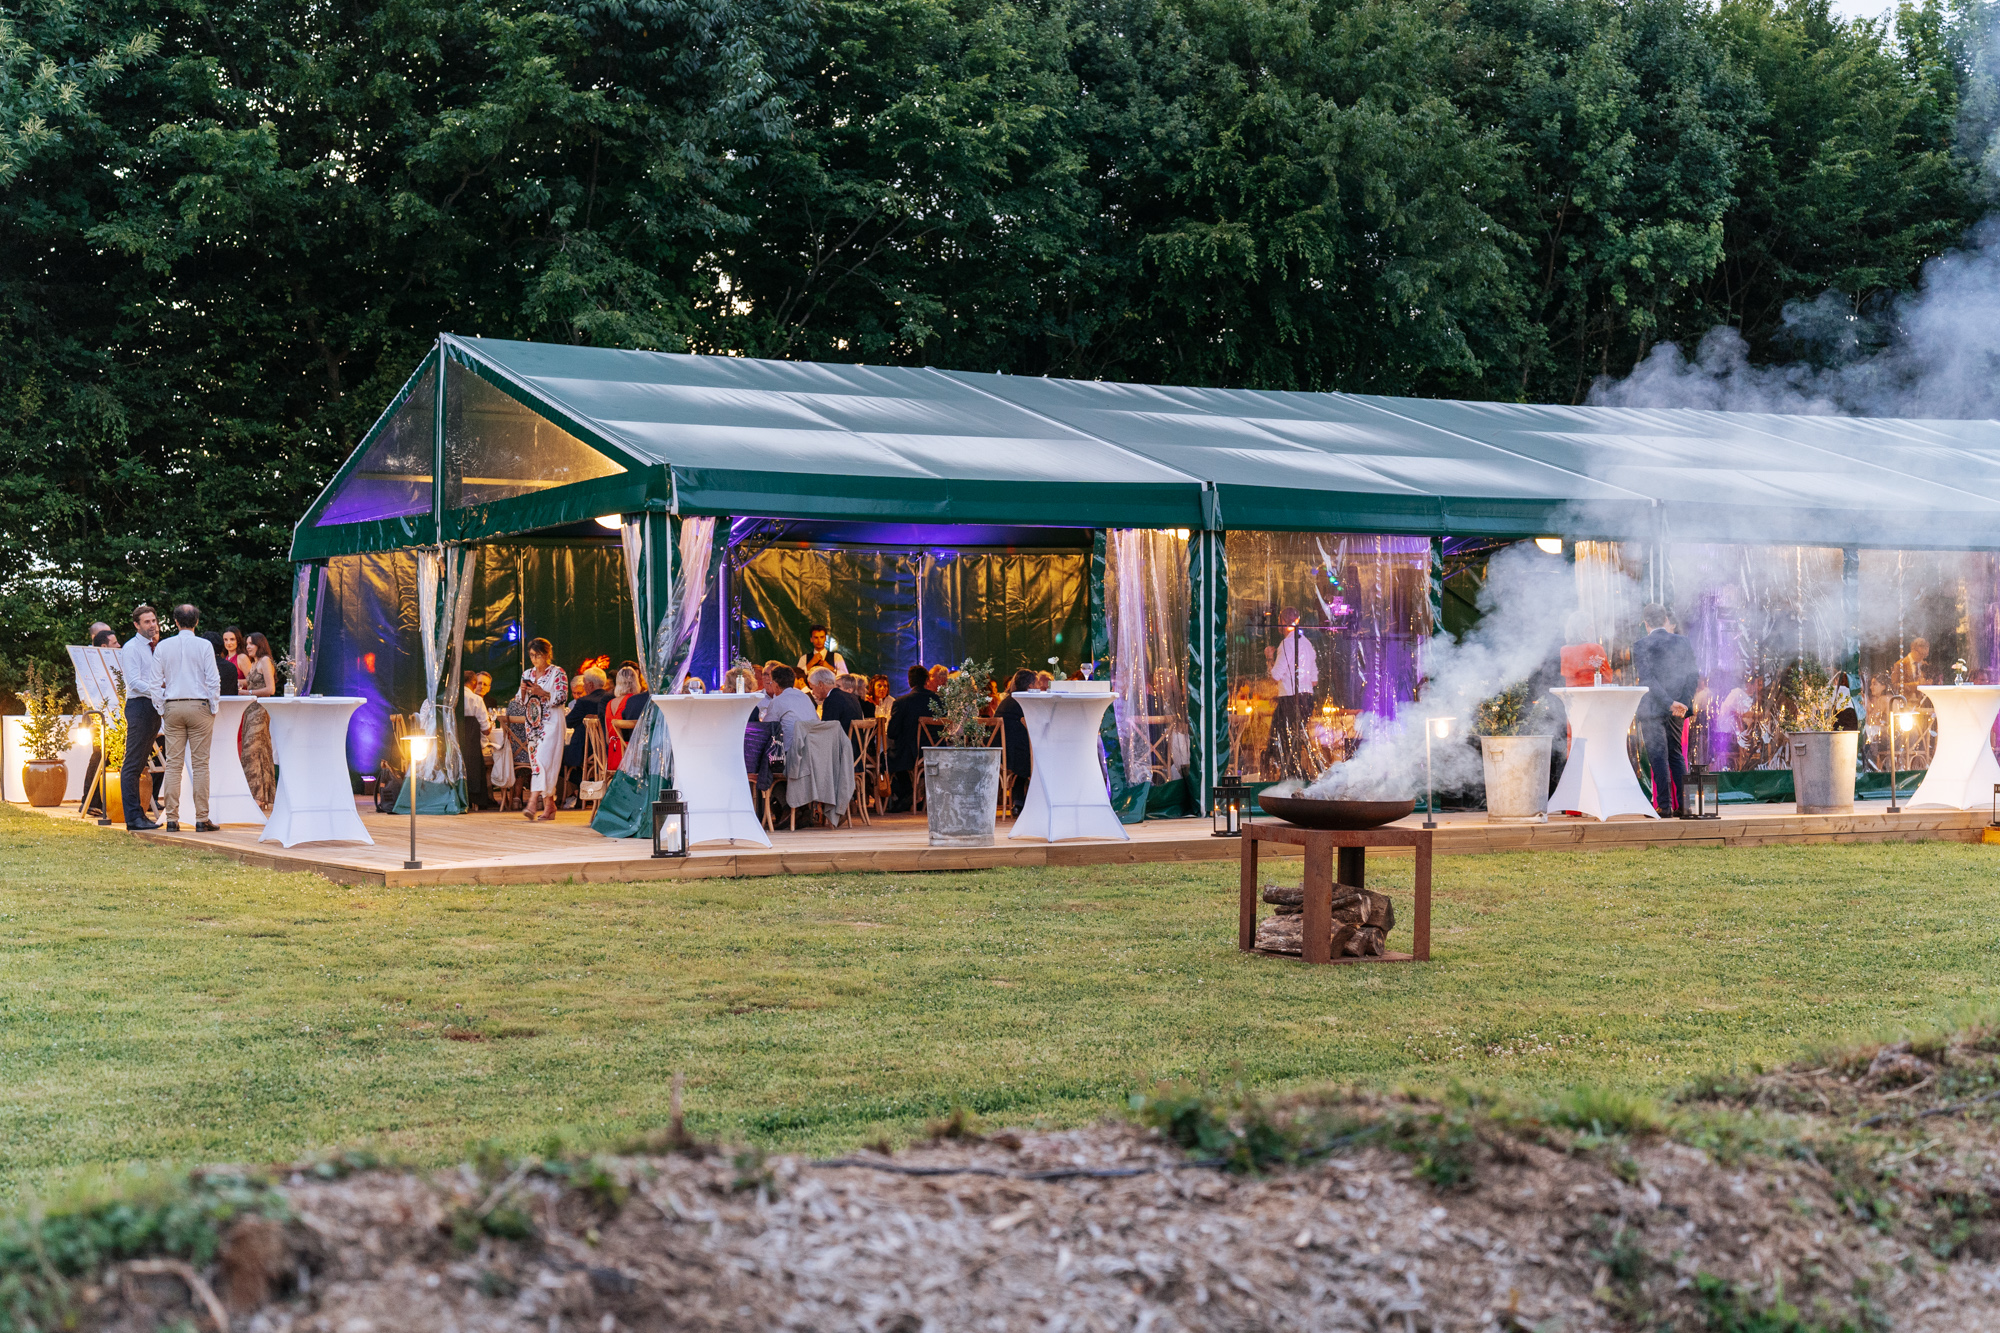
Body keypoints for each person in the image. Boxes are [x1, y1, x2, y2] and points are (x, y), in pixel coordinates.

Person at [155, 603, 222, 832]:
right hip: (199, 706)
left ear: (175, 622)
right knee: (201, 764)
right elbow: (213, 679)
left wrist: (161, 707)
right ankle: (202, 818)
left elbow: (155, 682)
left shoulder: (163, 646)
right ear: (196, 622)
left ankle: (171, 818)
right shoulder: (204, 645)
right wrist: (213, 706)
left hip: (173, 705)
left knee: (173, 765)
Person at [1632, 602, 1699, 817]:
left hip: (1653, 708)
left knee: (1658, 757)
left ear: (1646, 624)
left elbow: (1648, 680)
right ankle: (1685, 806)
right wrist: (1683, 703)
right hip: (1677, 709)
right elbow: (1692, 676)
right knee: (1676, 755)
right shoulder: (1683, 642)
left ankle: (1664, 806)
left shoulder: (1641, 645)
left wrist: (1670, 703)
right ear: (1665, 620)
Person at [117, 605, 165, 830]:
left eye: (154, 620)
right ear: (136, 625)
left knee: (141, 763)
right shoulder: (132, 648)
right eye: (147, 622)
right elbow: (134, 682)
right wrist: (160, 691)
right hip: (139, 706)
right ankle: (134, 818)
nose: (152, 625)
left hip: (153, 707)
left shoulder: (155, 647)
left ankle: (140, 815)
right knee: (133, 764)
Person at [1264, 606, 1317, 777]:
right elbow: (1314, 679)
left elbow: (1275, 675)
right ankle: (1295, 772)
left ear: (1282, 622)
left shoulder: (1286, 645)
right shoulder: (1307, 644)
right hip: (1307, 697)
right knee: (1295, 738)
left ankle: (1291, 774)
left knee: (1282, 738)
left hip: (1290, 698)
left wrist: (1269, 658)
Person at [518, 638, 567, 821]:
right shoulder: (527, 673)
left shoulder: (557, 673)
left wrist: (544, 693)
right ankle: (549, 805)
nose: (534, 659)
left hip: (552, 722)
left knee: (543, 760)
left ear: (547, 655)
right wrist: (523, 691)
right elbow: (520, 701)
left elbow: (562, 697)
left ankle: (532, 801)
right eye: (531, 655)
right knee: (540, 763)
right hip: (533, 724)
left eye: (538, 655)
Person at [559, 667, 614, 808]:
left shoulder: (584, 702)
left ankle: (587, 787)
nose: (583, 686)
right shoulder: (612, 699)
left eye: (584, 684)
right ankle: (593, 789)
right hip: (608, 749)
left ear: (590, 685)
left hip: (585, 750)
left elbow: (569, 722)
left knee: (557, 758)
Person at [885, 665, 936, 813]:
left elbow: (892, 733)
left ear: (909, 682)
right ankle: (919, 798)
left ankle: (905, 793)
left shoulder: (901, 702)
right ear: (927, 680)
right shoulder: (939, 701)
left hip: (909, 755)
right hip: (935, 752)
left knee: (884, 760)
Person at [239, 631, 277, 813]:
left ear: (260, 644)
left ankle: (257, 796)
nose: (248, 647)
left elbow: (270, 689)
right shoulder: (254, 663)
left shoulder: (265, 662)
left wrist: (247, 693)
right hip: (250, 710)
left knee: (252, 751)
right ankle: (258, 796)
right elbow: (249, 681)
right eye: (247, 643)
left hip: (260, 711)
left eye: (251, 644)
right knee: (256, 752)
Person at [995, 668, 1035, 816]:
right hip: (1015, 755)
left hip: (1000, 754)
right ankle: (1032, 803)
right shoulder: (1025, 701)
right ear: (1030, 686)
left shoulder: (1007, 701)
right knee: (1038, 760)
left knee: (1029, 758)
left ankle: (1019, 802)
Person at [459, 668, 497, 811]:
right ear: (474, 685)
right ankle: (482, 798)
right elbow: (486, 730)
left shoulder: (452, 698)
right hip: (474, 749)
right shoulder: (476, 699)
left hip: (455, 746)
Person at [761, 664, 818, 750]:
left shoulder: (777, 701)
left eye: (771, 682)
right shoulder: (804, 696)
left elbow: (766, 728)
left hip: (792, 752)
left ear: (776, 685)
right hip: (814, 747)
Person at [810, 666, 864, 752]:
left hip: (842, 754)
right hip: (857, 752)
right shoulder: (852, 697)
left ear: (820, 685)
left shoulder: (832, 699)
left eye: (812, 688)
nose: (812, 692)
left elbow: (827, 732)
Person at [604, 666, 647, 772]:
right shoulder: (633, 702)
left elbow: (607, 738)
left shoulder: (609, 704)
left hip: (612, 755)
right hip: (628, 758)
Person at [1559, 615, 1610, 686]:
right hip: (1593, 693)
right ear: (1583, 629)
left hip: (1572, 694)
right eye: (1590, 625)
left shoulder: (1564, 650)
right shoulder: (1595, 648)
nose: (1593, 628)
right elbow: (1608, 677)